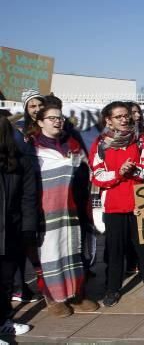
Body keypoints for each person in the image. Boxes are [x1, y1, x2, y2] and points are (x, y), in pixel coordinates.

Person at [31, 105, 99, 317]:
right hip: (46, 210)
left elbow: (86, 170)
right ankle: (53, 298)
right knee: (50, 253)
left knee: (72, 251)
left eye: (59, 118)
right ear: (40, 122)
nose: (57, 121)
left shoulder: (72, 144)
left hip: (72, 208)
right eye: (51, 118)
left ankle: (76, 294)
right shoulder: (32, 147)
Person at [88, 102, 144, 307]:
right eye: (119, 116)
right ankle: (112, 288)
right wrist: (119, 173)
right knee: (115, 249)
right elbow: (98, 175)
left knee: (143, 247)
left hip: (140, 204)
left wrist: (134, 170)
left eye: (126, 115)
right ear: (108, 120)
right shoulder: (100, 144)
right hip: (114, 206)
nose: (125, 119)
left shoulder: (141, 141)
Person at [0, 116, 34, 335]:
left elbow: (28, 198)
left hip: (9, 231)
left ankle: (3, 321)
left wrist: (28, 228)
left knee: (5, 279)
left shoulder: (20, 162)